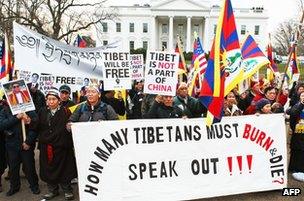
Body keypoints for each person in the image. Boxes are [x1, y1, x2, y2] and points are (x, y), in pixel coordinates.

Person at [37, 88, 76, 200]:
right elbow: (37, 126)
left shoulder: (66, 111)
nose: (51, 101)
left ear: (59, 100)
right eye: (49, 99)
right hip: (47, 146)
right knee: (48, 169)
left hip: (62, 147)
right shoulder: (42, 111)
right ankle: (52, 190)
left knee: (65, 170)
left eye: (53, 99)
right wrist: (29, 121)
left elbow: (71, 125)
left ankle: (67, 190)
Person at [0, 101, 40, 196]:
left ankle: (34, 186)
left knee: (29, 166)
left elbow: (35, 126)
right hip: (11, 145)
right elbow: (2, 125)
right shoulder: (5, 111)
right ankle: (14, 187)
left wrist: (28, 141)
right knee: (13, 168)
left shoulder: (29, 109)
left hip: (26, 145)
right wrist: (16, 118)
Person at [289, 91, 304, 182]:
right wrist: (301, 104)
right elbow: (293, 114)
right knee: (297, 151)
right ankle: (295, 168)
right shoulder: (297, 105)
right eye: (303, 95)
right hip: (298, 132)